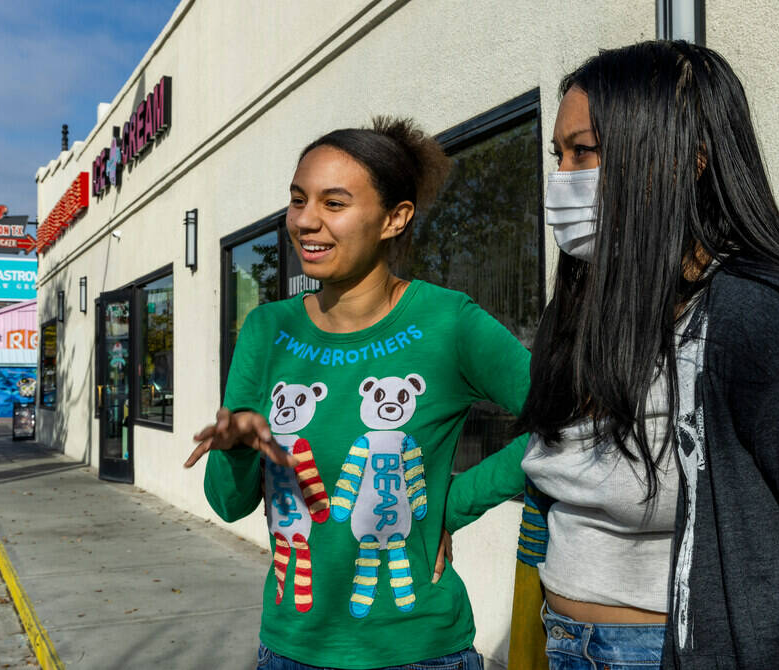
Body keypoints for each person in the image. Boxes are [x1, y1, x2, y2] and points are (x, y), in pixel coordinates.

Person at [513, 40, 779, 670]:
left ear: (686, 162)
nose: (561, 179)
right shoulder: (580, 312)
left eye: (585, 153)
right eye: (558, 154)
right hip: (564, 642)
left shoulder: (765, 323)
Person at [183, 117, 531, 669]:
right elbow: (228, 504)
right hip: (290, 650)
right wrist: (236, 446)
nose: (306, 221)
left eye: (334, 203)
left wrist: (452, 506)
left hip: (419, 652)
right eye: (298, 200)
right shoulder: (267, 330)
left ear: (395, 218)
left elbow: (566, 417)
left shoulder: (448, 322)